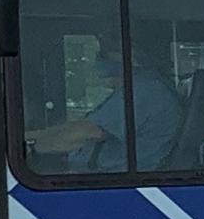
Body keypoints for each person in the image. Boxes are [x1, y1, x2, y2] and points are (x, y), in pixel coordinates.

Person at [29, 26, 184, 173]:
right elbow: (79, 125)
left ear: (129, 56)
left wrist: (31, 150)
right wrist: (28, 137)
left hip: (118, 179)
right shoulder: (140, 88)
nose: (100, 60)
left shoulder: (145, 90)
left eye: (105, 53)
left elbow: (85, 132)